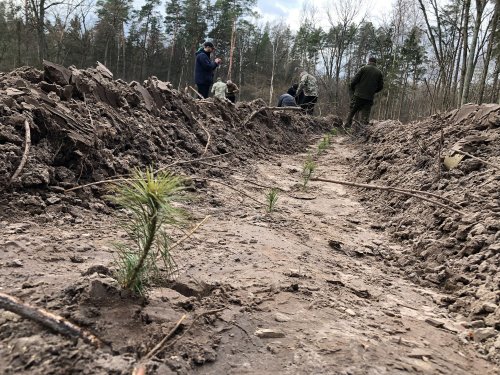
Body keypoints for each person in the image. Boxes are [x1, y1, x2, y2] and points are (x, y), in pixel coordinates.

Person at [345, 56, 384, 129]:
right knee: (365, 114)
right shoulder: (379, 72)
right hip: (369, 97)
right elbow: (381, 86)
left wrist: (354, 90)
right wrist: (373, 91)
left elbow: (353, 81)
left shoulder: (363, 68)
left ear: (369, 61)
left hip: (358, 95)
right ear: (375, 63)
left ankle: (346, 127)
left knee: (352, 111)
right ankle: (362, 131)